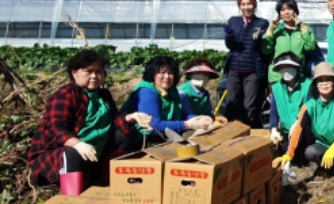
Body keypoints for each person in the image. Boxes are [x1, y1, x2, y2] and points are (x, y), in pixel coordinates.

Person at [28, 50, 151, 192]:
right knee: (72, 153)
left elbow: (114, 122)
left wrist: (131, 117)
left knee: (124, 134)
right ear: (74, 73)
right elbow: (56, 128)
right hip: (56, 153)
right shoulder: (66, 94)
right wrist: (78, 144)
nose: (94, 76)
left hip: (94, 151)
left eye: (98, 71)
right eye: (88, 71)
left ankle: (107, 181)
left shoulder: (104, 95)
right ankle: (71, 194)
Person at [274, 62, 334, 181]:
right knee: (310, 152)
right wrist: (288, 154)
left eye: (328, 79)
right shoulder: (309, 106)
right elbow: (298, 130)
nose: (324, 83)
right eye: (320, 80)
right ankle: (327, 168)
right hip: (323, 144)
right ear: (315, 84)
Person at [118, 56, 214, 150]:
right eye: (162, 73)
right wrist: (188, 124)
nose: (167, 77)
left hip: (162, 136)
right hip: (139, 141)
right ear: (153, 74)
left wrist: (198, 119)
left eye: (170, 73)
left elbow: (181, 113)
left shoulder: (171, 91)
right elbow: (154, 126)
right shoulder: (147, 92)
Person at [223, 0, 270, 128]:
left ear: (254, 4)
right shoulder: (233, 21)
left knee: (250, 105)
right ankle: (230, 131)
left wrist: (258, 39)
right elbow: (230, 45)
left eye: (249, 4)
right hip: (234, 69)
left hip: (252, 70)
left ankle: (250, 131)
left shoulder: (262, 23)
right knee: (232, 101)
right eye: (243, 4)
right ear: (239, 6)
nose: (246, 7)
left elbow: (264, 47)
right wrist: (229, 35)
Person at [262, 0, 317, 85]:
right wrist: (270, 30)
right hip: (277, 77)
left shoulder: (304, 29)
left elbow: (311, 47)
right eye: (283, 10)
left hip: (297, 75)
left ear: (295, 11)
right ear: (279, 14)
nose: (286, 12)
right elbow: (266, 50)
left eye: (289, 9)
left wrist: (302, 27)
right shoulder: (276, 31)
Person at [267, 52, 312, 155]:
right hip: (287, 132)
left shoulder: (308, 85)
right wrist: (273, 129)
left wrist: (297, 123)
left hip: (304, 130)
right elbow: (274, 112)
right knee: (285, 149)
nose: (286, 69)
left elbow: (309, 109)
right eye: (282, 67)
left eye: (289, 66)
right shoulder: (276, 88)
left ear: (296, 67)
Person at [178, 58, 227, 123]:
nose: (202, 76)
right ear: (190, 75)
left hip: (201, 123)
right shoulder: (182, 93)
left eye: (205, 74)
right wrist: (209, 119)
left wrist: (214, 117)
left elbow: (208, 112)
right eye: (198, 73)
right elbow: (188, 116)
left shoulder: (205, 93)